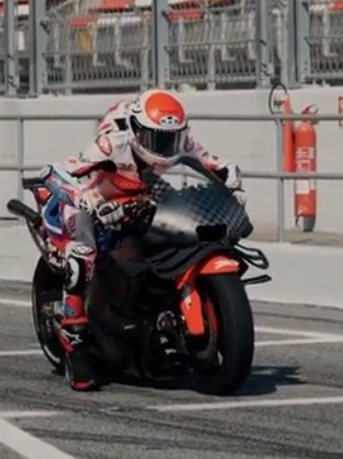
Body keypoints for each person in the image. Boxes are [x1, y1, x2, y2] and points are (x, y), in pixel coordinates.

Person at [38, 88, 245, 391]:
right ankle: (75, 337)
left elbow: (219, 166)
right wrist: (84, 198)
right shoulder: (112, 143)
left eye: (170, 138)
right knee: (83, 253)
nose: (164, 146)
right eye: (155, 138)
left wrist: (234, 186)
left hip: (142, 198)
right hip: (98, 196)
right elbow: (55, 172)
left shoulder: (183, 142)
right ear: (135, 130)